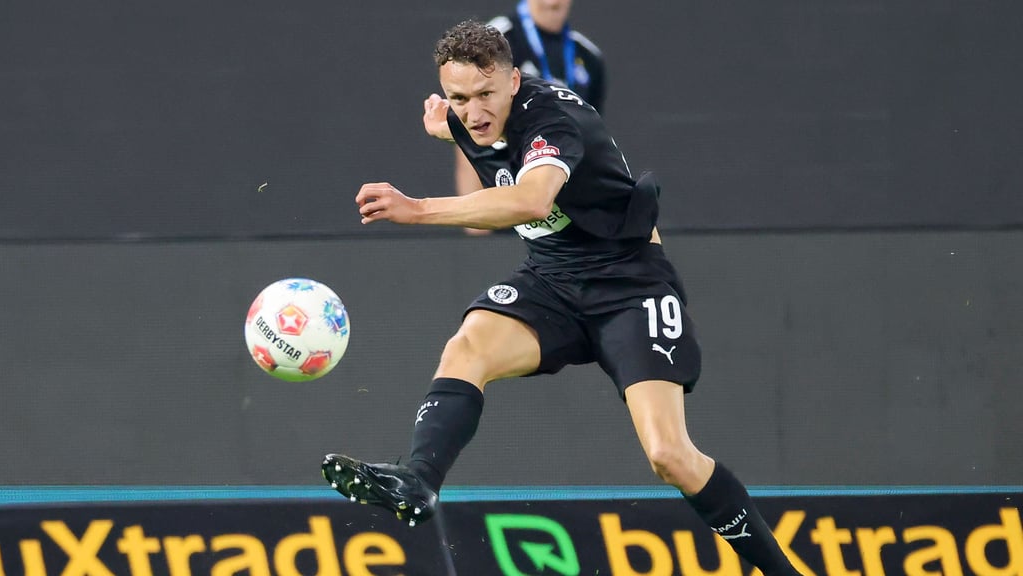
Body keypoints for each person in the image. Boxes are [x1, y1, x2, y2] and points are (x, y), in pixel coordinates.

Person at [323, 20, 804, 575]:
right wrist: (444, 125)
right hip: (552, 278)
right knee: (469, 345)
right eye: (458, 97)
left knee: (669, 455)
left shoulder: (554, 117)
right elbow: (469, 130)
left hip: (629, 284)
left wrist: (418, 208)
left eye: (485, 95)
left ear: (513, 82)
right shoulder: (466, 118)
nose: (473, 111)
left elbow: (531, 200)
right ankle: (418, 482)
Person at [455, 0, 606, 235]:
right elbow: (471, 125)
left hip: (566, 216)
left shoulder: (588, 56)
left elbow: (591, 138)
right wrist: (476, 224)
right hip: (506, 204)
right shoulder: (495, 41)